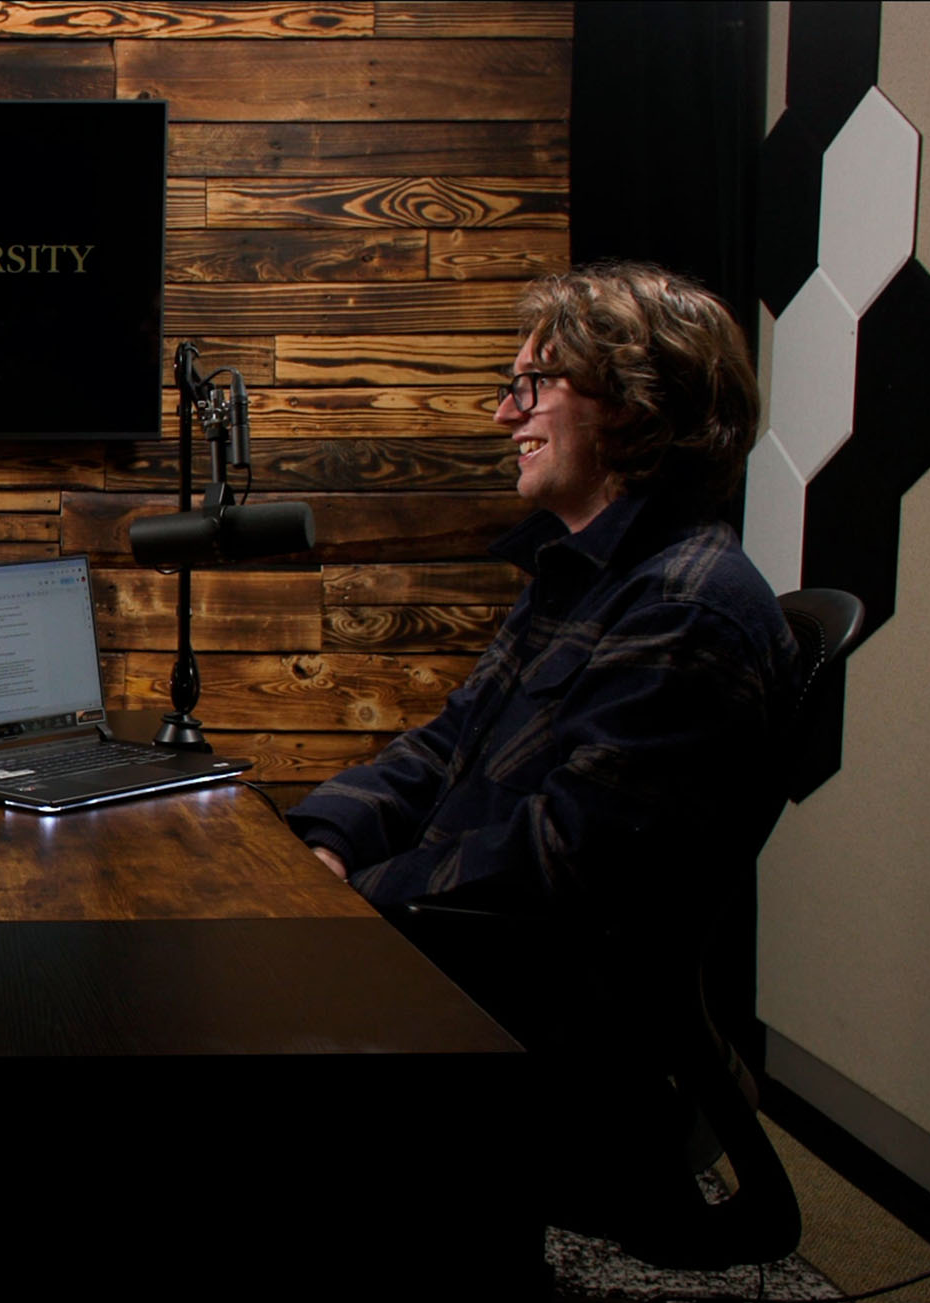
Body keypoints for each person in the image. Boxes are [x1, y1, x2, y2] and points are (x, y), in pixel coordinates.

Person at [284, 263, 800, 1253]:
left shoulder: (686, 604)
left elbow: (561, 860)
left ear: (637, 405)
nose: (500, 414)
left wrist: (346, 908)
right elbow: (442, 747)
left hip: (545, 1031)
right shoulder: (579, 577)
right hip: (468, 969)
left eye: (532, 384)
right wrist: (323, 840)